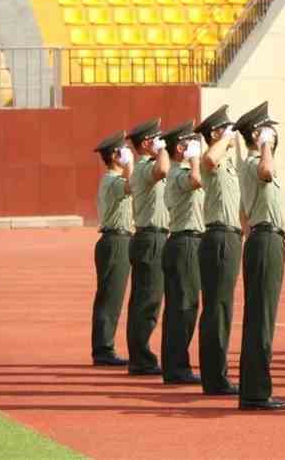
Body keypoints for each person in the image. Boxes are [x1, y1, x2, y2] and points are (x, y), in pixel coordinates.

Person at [234, 102, 285, 411]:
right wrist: (266, 142)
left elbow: (244, 211)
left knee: (259, 317)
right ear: (256, 133)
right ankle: (256, 392)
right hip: (265, 238)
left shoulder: (250, 164)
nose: (275, 134)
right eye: (269, 128)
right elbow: (267, 170)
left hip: (262, 237)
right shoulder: (258, 161)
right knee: (261, 319)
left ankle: (253, 389)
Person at [195, 105, 241, 396]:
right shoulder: (210, 159)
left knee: (222, 309)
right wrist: (224, 138)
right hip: (218, 237)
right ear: (215, 133)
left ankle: (216, 373)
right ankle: (214, 378)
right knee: (217, 309)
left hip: (230, 236)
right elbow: (210, 157)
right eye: (226, 128)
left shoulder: (228, 164)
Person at [125, 118, 170, 376]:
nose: (161, 141)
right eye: (157, 137)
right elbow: (163, 170)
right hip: (151, 237)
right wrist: (162, 149)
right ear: (146, 143)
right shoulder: (145, 167)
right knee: (147, 302)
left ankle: (139, 357)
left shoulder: (143, 167)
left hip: (152, 237)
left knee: (145, 300)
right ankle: (141, 359)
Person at [161, 121, 204, 385]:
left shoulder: (182, 171)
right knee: (183, 307)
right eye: (189, 142)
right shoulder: (180, 173)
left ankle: (176, 365)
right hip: (185, 242)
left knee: (183, 306)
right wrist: (195, 159)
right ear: (181, 147)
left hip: (188, 242)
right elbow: (197, 179)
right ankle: (177, 368)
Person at [91, 131, 134, 367]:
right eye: (123, 150)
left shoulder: (113, 179)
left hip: (120, 240)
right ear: (116, 156)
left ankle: (104, 346)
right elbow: (131, 185)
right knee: (110, 296)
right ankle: (103, 349)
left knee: (111, 296)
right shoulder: (112, 180)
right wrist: (130, 164)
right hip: (115, 241)